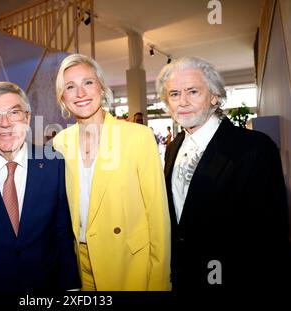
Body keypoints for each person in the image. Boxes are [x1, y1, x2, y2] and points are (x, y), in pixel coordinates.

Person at [157, 56, 289, 296]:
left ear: (215, 96)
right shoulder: (173, 147)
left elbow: (271, 236)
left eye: (193, 92)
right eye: (174, 94)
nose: (183, 102)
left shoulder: (255, 148)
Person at [53, 54, 171, 291]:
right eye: (70, 87)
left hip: (128, 259)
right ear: (63, 99)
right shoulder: (60, 142)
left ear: (102, 87)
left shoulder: (138, 136)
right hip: (81, 261)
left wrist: (159, 280)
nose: (81, 93)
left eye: (88, 82)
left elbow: (158, 215)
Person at [0, 81, 80, 291]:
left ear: (27, 119)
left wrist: (71, 287)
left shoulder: (53, 163)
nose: (5, 123)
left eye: (14, 113)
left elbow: (62, 234)